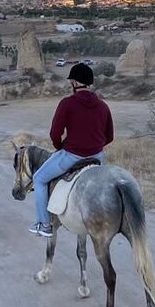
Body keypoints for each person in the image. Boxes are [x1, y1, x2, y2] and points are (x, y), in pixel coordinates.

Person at [30, 63, 114, 238]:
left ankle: (44, 224)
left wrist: (60, 148)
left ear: (75, 82)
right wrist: (94, 146)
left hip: (72, 155)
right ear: (89, 83)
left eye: (71, 81)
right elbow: (110, 136)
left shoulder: (67, 103)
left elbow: (55, 133)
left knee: (38, 179)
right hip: (97, 157)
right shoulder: (103, 106)